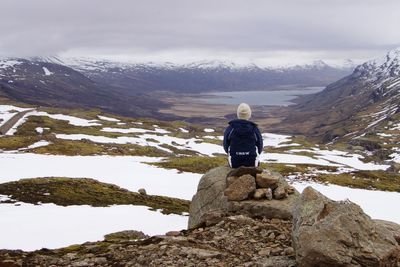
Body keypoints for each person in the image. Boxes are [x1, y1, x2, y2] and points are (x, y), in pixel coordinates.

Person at [223, 103, 263, 168]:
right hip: (252, 163)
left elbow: (226, 145)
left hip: (234, 163)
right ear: (249, 114)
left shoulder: (231, 128)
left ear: (238, 114)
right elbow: (260, 146)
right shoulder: (254, 129)